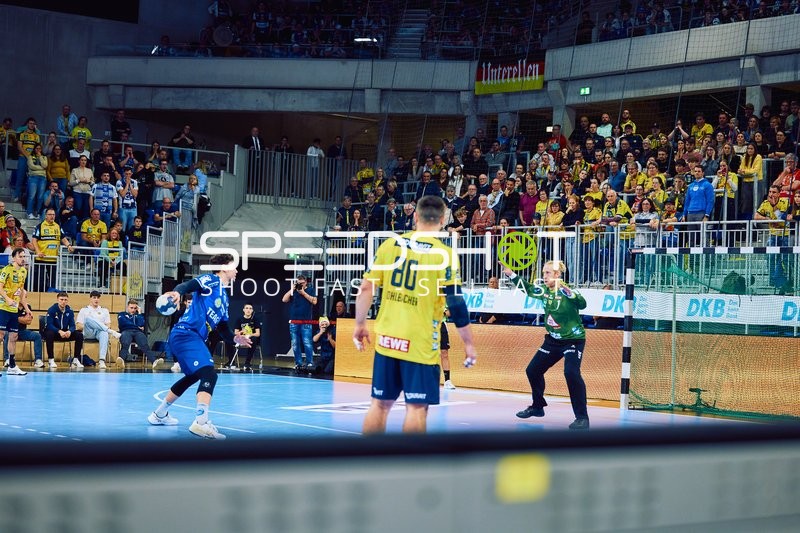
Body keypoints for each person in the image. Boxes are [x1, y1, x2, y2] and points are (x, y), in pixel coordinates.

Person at [353, 195, 478, 434]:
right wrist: (469, 343)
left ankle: (368, 462)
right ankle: (410, 465)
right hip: (420, 345)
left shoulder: (391, 245)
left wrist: (360, 324)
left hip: (388, 340)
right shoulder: (444, 255)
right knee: (417, 408)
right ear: (442, 220)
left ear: (416, 216)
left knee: (379, 405)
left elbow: (366, 287)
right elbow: (456, 303)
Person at [148, 253, 250, 439]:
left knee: (193, 376)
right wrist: (178, 291)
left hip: (191, 337)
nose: (236, 271)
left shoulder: (224, 299)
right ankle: (200, 423)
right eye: (234, 267)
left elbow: (223, 330)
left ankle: (159, 414)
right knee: (209, 374)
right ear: (225, 267)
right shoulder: (211, 281)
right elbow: (189, 285)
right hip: (186, 334)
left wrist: (236, 339)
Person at [504, 260, 590, 430]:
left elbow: (582, 303)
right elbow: (528, 288)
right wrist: (511, 274)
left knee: (571, 373)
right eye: (543, 273)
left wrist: (569, 292)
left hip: (573, 340)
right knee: (533, 370)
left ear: (557, 275)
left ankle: (582, 418)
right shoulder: (543, 291)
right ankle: (537, 407)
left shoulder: (567, 291)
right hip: (553, 340)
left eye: (548, 273)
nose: (544, 276)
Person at [0, 248, 33, 376]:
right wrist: (7, 299)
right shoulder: (6, 270)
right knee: (1, 335)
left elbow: (21, 292)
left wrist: (26, 308)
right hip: (3, 307)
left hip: (14, 308)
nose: (23, 259)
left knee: (13, 336)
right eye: (21, 256)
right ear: (14, 258)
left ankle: (12, 366)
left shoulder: (24, 271)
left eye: (24, 256)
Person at [75, 290, 122, 369]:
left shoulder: (104, 310)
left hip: (99, 333)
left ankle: (101, 361)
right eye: (94, 298)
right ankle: (112, 332)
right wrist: (91, 325)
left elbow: (108, 324)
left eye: (98, 298)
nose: (96, 300)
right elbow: (79, 325)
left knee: (104, 333)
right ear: (90, 299)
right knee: (88, 319)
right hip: (88, 332)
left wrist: (98, 327)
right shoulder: (84, 310)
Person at [31, 208, 74, 292]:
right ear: (46, 216)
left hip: (53, 259)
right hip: (41, 259)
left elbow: (63, 238)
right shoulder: (40, 226)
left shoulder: (57, 226)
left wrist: (68, 245)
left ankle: (51, 297)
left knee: (53, 282)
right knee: (40, 282)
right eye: (50, 215)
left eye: (53, 215)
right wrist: (38, 251)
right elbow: (34, 240)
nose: (52, 216)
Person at [281, 274, 317, 372]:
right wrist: (292, 289)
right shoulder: (294, 291)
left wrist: (303, 293)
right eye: (298, 283)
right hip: (294, 321)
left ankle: (309, 363)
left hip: (306, 321)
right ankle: (298, 363)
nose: (300, 285)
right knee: (295, 344)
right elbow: (284, 299)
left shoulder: (310, 290)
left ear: (306, 283)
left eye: (302, 283)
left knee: (307, 343)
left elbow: (314, 301)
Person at [44, 292, 85, 369]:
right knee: (49, 334)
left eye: (65, 300)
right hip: (55, 332)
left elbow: (72, 325)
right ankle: (51, 359)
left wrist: (69, 331)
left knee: (79, 335)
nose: (63, 301)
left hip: (65, 333)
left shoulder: (69, 311)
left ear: (67, 301)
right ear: (57, 300)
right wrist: (59, 331)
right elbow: (49, 325)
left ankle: (76, 360)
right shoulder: (52, 310)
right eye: (61, 299)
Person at [118, 299, 161, 368]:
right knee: (125, 344)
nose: (133, 310)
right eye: (131, 308)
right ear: (127, 307)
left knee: (145, 345)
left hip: (137, 332)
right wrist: (137, 326)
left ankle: (154, 362)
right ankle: (121, 361)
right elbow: (123, 323)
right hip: (126, 331)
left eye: (135, 308)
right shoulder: (122, 314)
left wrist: (140, 313)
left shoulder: (138, 316)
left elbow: (141, 323)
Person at [224, 302, 260, 371]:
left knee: (254, 339)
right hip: (240, 338)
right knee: (228, 340)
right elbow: (236, 333)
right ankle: (231, 362)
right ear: (243, 310)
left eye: (250, 308)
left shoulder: (255, 320)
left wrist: (249, 335)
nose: (248, 310)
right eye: (246, 308)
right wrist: (242, 332)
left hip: (250, 339)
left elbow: (258, 333)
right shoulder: (239, 319)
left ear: (252, 310)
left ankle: (247, 363)